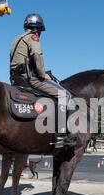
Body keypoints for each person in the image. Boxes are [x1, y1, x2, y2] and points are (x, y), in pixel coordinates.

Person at [9, 13, 75, 148]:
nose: (40, 34)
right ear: (37, 29)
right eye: (40, 31)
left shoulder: (16, 39)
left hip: (16, 79)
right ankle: (61, 136)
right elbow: (37, 56)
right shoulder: (33, 37)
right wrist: (43, 74)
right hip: (30, 79)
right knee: (65, 95)